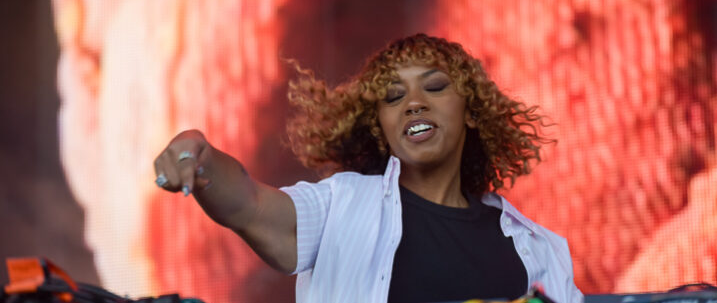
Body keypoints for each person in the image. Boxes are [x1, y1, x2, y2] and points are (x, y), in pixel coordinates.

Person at [153, 34, 584, 303]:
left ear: (472, 112)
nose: (414, 103)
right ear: (381, 129)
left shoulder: (539, 248)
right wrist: (201, 157)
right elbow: (250, 206)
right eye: (394, 97)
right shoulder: (343, 207)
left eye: (434, 87)